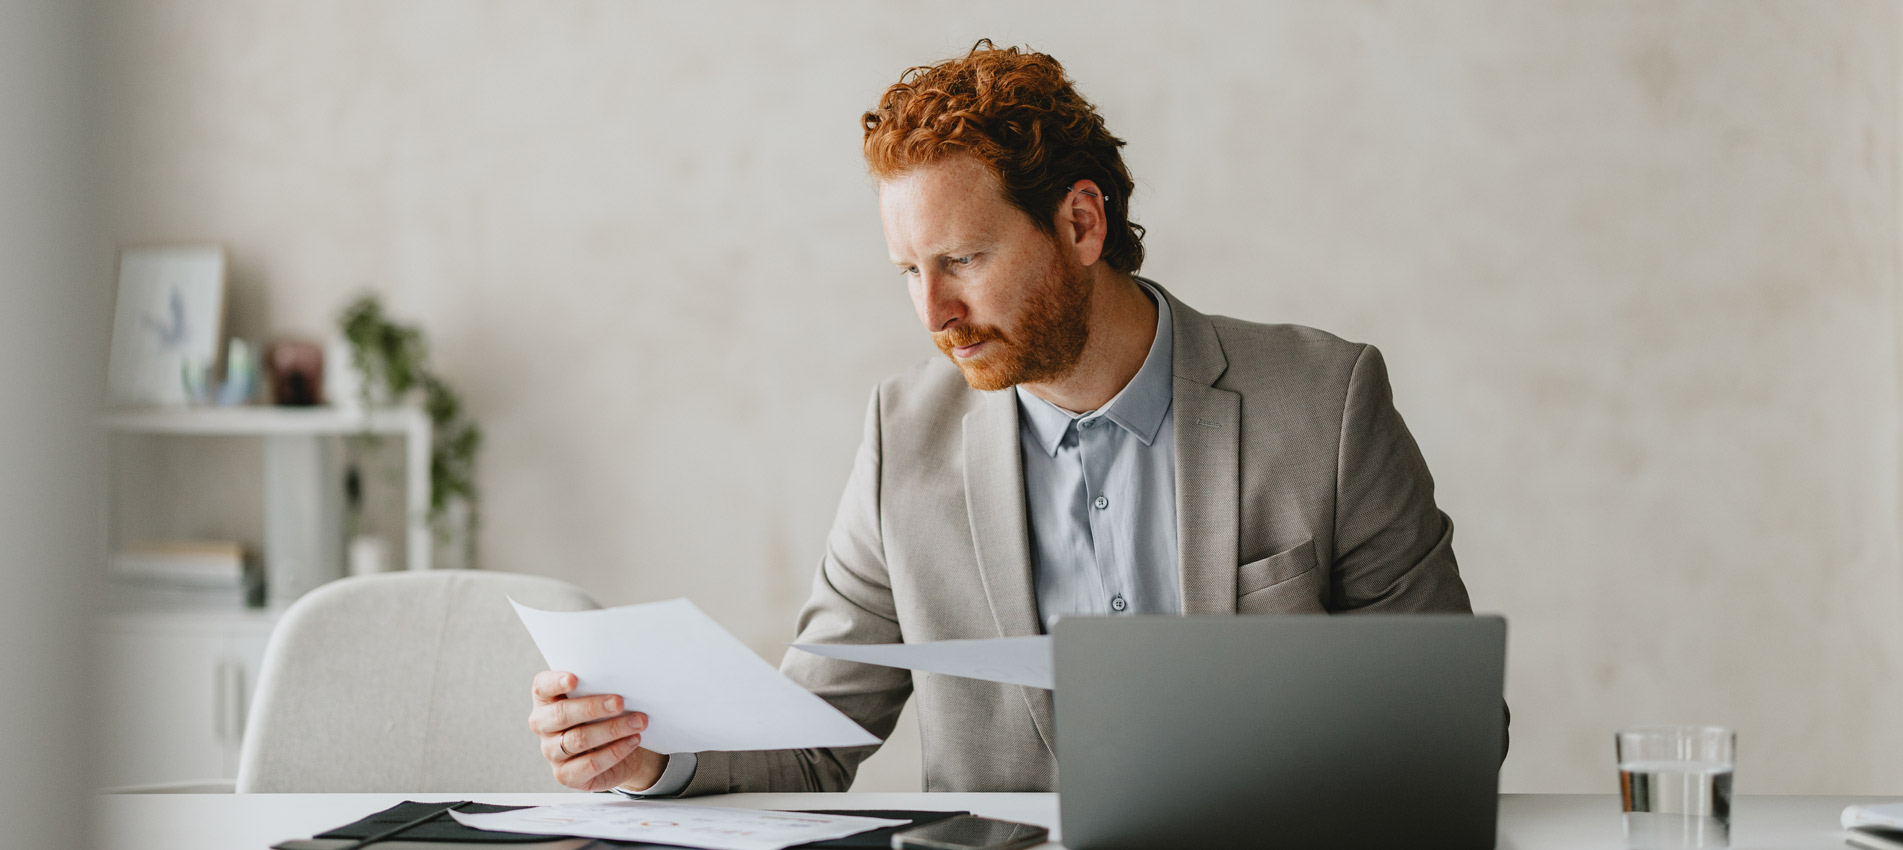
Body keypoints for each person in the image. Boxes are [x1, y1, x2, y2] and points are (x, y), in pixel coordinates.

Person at [527, 40, 1479, 796]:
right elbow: (811, 736)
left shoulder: (1325, 401)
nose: (932, 314)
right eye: (909, 271)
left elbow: (1455, 725)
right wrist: (647, 756)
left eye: (963, 261)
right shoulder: (905, 438)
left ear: (1079, 224)